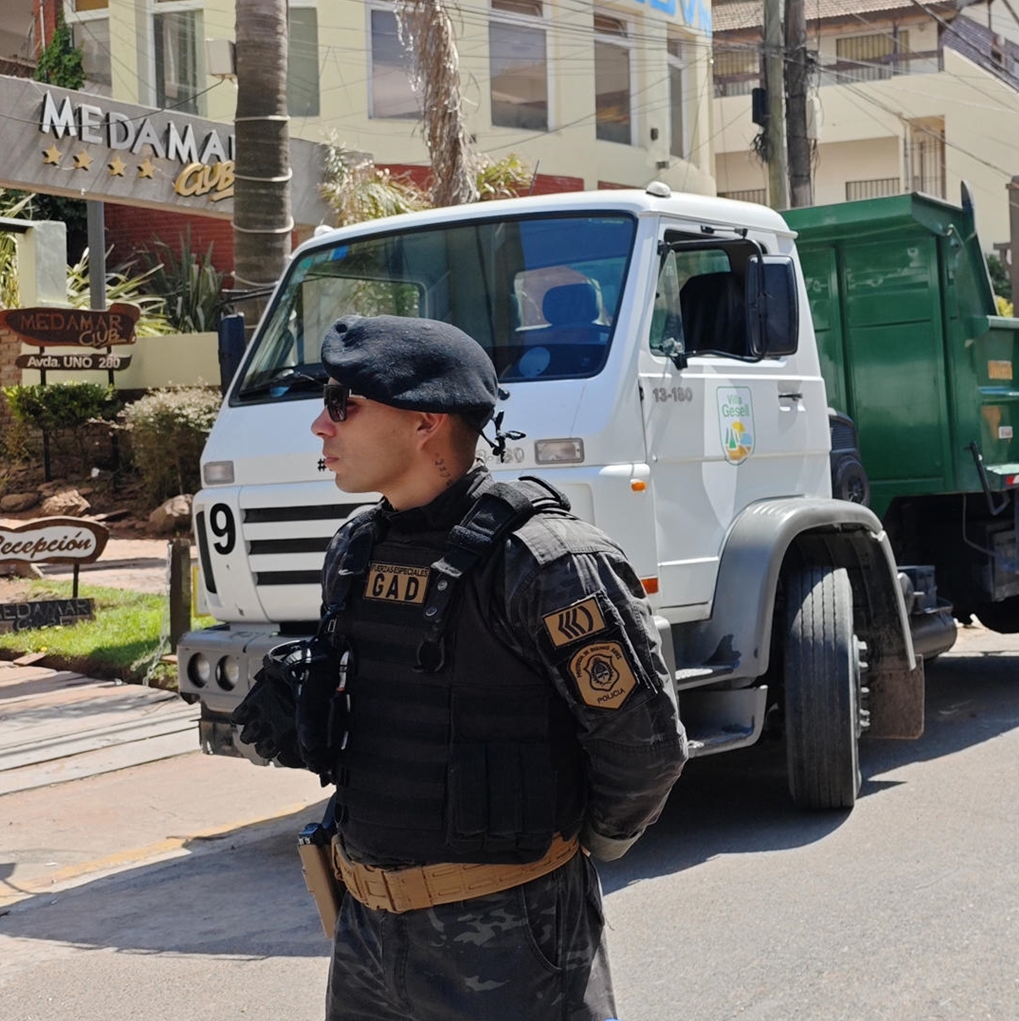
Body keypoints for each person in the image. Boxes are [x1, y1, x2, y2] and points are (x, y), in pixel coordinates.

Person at [241, 315, 688, 1021]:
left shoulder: (545, 561)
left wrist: (570, 854)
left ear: (425, 423)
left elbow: (644, 749)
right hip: (365, 937)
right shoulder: (356, 549)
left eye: (341, 405)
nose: (321, 429)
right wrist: (310, 713)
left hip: (510, 944)